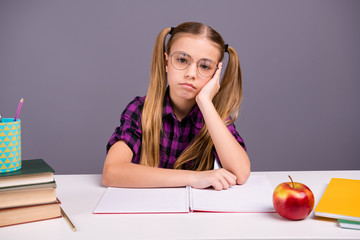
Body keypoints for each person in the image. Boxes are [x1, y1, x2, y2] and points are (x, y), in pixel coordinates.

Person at [103, 22, 250, 190]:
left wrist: (205, 103)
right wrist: (193, 178)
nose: (191, 74)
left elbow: (241, 174)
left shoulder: (215, 117)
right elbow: (112, 172)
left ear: (216, 74)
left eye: (204, 66)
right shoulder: (140, 110)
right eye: (182, 60)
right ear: (166, 62)